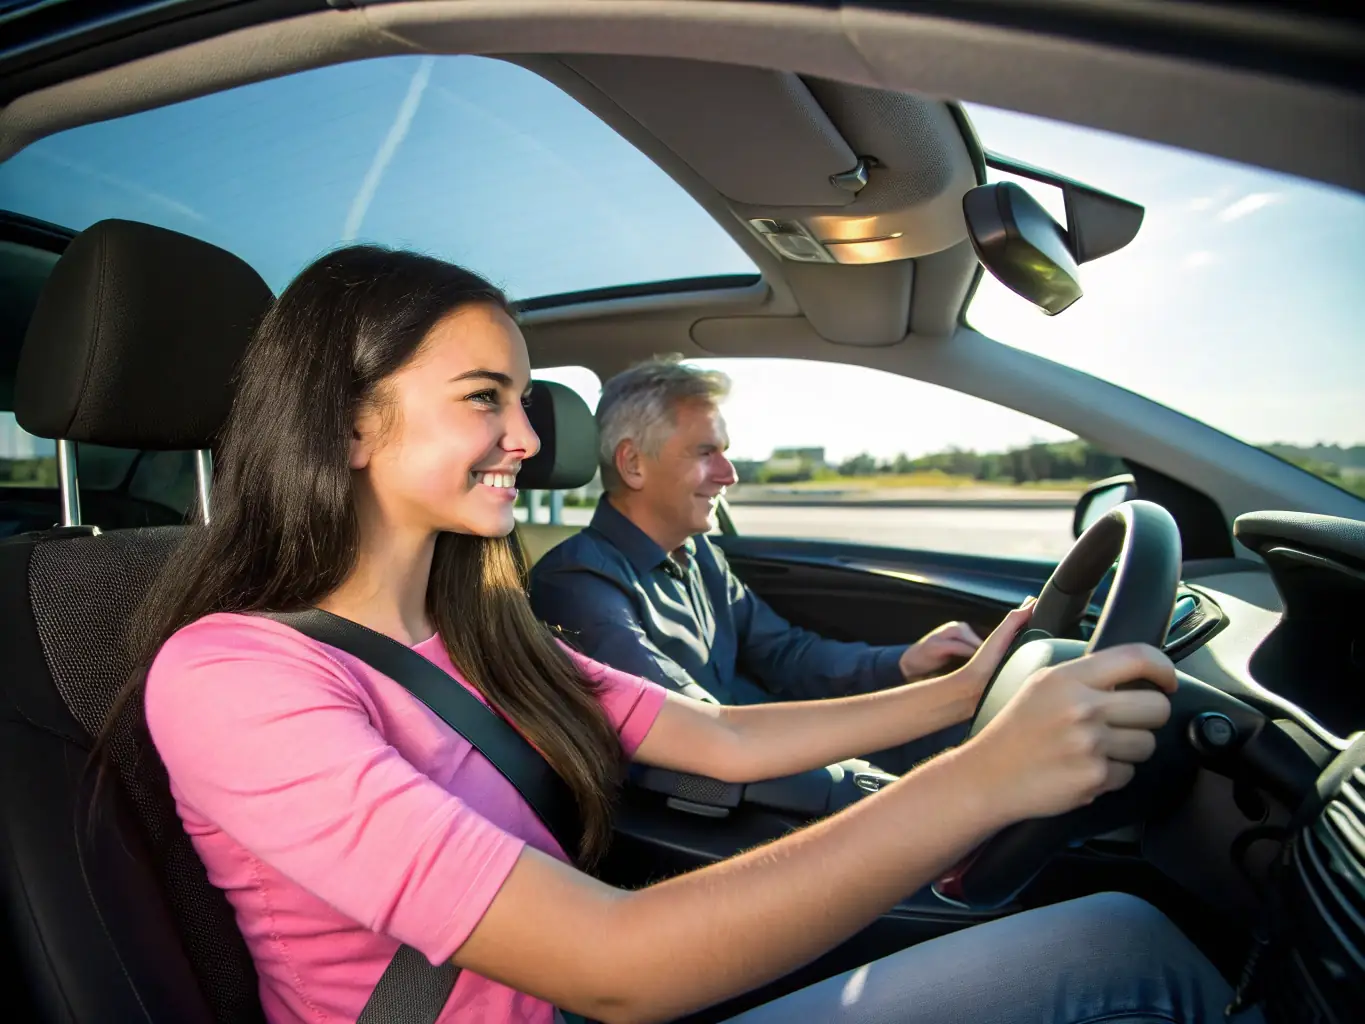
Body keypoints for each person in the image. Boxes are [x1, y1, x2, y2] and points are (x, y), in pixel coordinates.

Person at [113, 246, 1255, 1024]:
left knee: (1120, 931)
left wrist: (970, 695)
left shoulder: (476, 627)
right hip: (610, 990)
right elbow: (616, 966)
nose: (528, 433)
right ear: (352, 423)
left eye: (524, 397)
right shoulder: (235, 677)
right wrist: (982, 783)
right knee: (1128, 954)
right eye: (486, 397)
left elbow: (718, 737)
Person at [529, 357, 980, 772]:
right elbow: (702, 734)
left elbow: (785, 653)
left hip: (766, 750)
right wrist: (945, 699)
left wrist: (908, 662)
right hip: (731, 788)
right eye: (706, 452)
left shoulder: (700, 556)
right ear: (633, 464)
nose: (730, 474)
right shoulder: (578, 586)